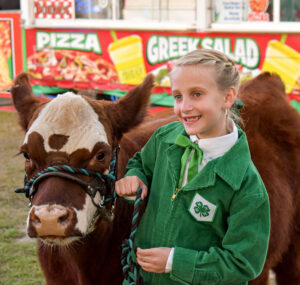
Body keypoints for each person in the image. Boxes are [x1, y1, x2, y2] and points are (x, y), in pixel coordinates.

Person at [115, 49, 270, 285]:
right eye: (177, 96)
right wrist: (135, 177)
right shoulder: (164, 138)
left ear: (228, 97)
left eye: (196, 94)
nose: (184, 107)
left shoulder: (247, 187)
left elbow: (242, 263)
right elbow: (140, 164)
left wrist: (175, 262)